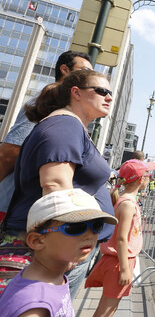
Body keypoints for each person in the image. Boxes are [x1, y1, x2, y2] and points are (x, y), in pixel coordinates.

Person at [4, 69, 115, 298]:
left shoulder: (71, 126)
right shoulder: (65, 125)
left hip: (58, 246)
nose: (109, 97)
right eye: (102, 91)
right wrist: (66, 249)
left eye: (110, 93)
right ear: (76, 93)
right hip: (50, 249)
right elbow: (55, 185)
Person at [0, 189, 117, 317]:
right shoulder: (36, 304)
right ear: (37, 241)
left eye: (96, 226)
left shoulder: (51, 274)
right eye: (75, 228)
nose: (90, 234)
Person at [0, 51, 92, 221]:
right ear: (64, 70)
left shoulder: (71, 110)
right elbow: (9, 153)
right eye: (84, 70)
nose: (88, 76)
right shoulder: (46, 103)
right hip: (10, 208)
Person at [85, 159, 154, 317]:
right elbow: (122, 239)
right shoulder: (128, 204)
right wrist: (124, 268)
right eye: (147, 175)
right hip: (118, 263)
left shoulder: (124, 200)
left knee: (106, 310)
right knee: (105, 312)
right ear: (140, 180)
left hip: (117, 261)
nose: (149, 178)